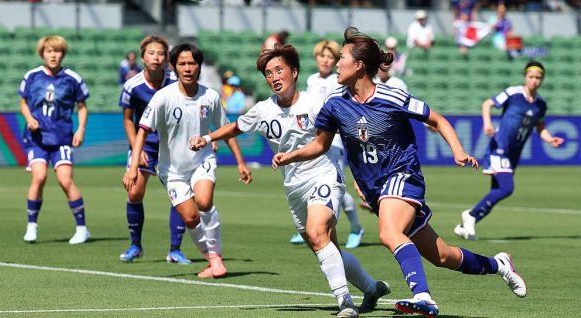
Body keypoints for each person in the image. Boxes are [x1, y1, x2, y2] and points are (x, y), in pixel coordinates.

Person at [273, 27, 527, 317]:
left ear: (358, 66)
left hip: (403, 175)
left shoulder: (392, 96)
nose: (337, 63)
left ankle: (423, 297)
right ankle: (500, 265)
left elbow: (437, 119)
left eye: (342, 57)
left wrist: (457, 150)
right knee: (442, 255)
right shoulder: (335, 104)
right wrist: (292, 155)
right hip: (377, 190)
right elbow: (320, 145)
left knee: (389, 232)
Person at [189, 44, 391, 317]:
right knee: (325, 246)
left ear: (294, 72)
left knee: (318, 232)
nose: (274, 77)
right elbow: (237, 127)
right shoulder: (263, 110)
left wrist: (360, 178)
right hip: (294, 187)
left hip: (324, 174)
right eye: (268, 74)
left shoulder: (315, 104)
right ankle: (371, 288)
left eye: (279, 70)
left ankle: (345, 302)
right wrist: (208, 138)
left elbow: (345, 138)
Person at [123, 43, 253, 278]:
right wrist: (133, 167)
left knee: (204, 202)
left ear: (199, 66)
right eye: (182, 63)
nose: (187, 68)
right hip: (172, 170)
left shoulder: (211, 96)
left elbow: (226, 130)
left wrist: (241, 162)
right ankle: (211, 259)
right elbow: (142, 130)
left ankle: (217, 257)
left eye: (192, 63)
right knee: (191, 217)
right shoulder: (163, 97)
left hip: (202, 161)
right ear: (174, 67)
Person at [455, 61, 564, 241]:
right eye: (531, 77)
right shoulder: (514, 93)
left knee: (497, 191)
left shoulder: (541, 105)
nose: (534, 81)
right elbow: (487, 104)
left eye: (538, 78)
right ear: (525, 76)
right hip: (499, 146)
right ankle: (471, 215)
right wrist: (487, 123)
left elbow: (540, 127)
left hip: (514, 153)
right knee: (507, 188)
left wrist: (549, 138)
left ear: (542, 80)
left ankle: (463, 227)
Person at [118, 35, 191, 264]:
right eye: (151, 53)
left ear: (167, 57)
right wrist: (136, 150)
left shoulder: (176, 81)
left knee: (179, 195)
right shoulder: (133, 86)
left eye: (161, 53)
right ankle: (135, 245)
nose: (156, 57)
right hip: (145, 145)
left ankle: (175, 250)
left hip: (173, 145)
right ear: (142, 58)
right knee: (135, 192)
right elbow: (129, 120)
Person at [288, 39, 364, 249]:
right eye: (322, 56)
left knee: (336, 186)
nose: (326, 60)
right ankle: (309, 225)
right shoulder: (312, 79)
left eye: (331, 57)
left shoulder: (337, 80)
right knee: (311, 181)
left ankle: (356, 228)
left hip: (335, 139)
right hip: (314, 138)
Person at [20, 35, 91, 245]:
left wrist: (81, 130)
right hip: (37, 139)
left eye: (57, 51)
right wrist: (29, 118)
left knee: (65, 180)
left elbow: (82, 107)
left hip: (61, 138)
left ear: (63, 54)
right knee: (39, 178)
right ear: (42, 53)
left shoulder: (72, 78)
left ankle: (82, 229)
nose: (53, 55)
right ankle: (31, 226)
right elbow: (23, 103)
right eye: (49, 51)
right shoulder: (32, 76)